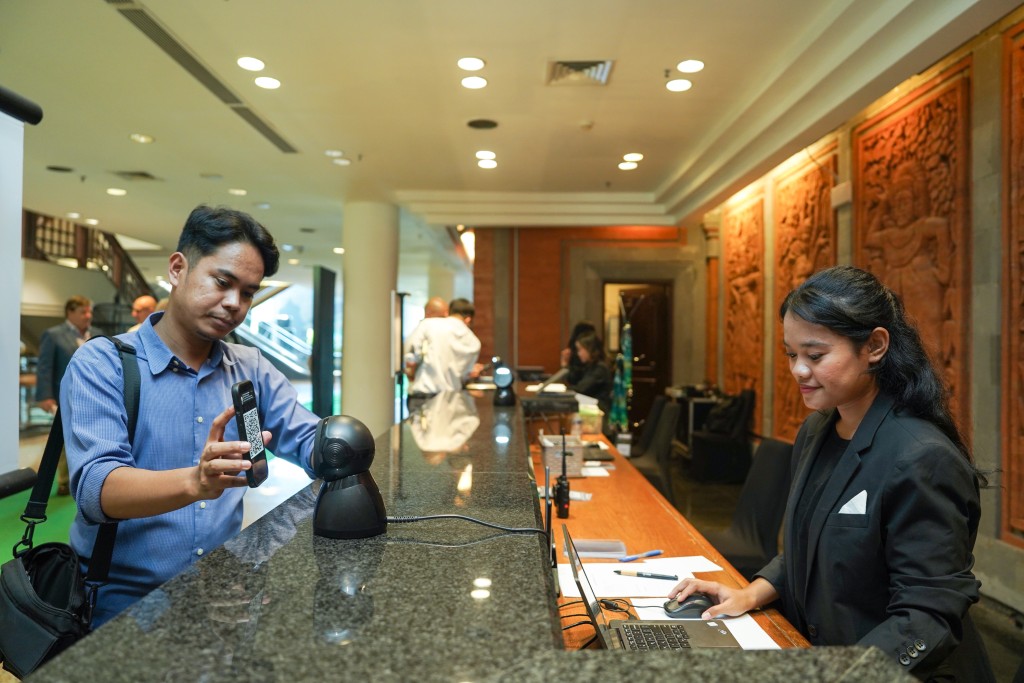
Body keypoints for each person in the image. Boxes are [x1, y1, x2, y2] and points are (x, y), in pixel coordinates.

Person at [668, 265, 992, 681]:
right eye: (792, 355)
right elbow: (812, 545)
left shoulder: (922, 457)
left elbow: (928, 616)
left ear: (874, 346)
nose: (798, 370)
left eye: (815, 356)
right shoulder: (817, 429)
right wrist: (749, 594)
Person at [61, 205, 322, 627]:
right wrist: (195, 482)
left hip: (222, 594)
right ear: (178, 269)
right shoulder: (103, 364)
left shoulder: (249, 367)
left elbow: (307, 438)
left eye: (248, 293)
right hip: (123, 606)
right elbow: (96, 489)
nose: (234, 304)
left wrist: (337, 446)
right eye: (222, 282)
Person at [36, 295, 100, 495]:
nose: (88, 316)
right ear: (70, 313)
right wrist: (45, 395)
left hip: (95, 395)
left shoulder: (97, 334)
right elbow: (45, 367)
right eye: (83, 312)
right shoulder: (53, 335)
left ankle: (90, 476)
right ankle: (64, 481)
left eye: (90, 312)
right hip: (65, 396)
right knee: (64, 439)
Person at [404, 297, 482, 399]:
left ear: (448, 312)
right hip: (451, 398)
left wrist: (411, 372)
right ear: (468, 319)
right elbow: (465, 375)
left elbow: (410, 356)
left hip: (423, 395)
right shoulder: (474, 342)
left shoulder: (428, 324)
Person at [565, 330, 612, 414]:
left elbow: (580, 389)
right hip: (591, 408)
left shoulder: (600, 368)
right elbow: (573, 380)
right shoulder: (590, 366)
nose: (578, 354)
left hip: (599, 411)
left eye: (580, 350)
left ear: (589, 349)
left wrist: (561, 392)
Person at [560, 321, 596, 385]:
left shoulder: (598, 368)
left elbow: (579, 387)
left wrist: (565, 365)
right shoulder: (574, 352)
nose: (579, 354)